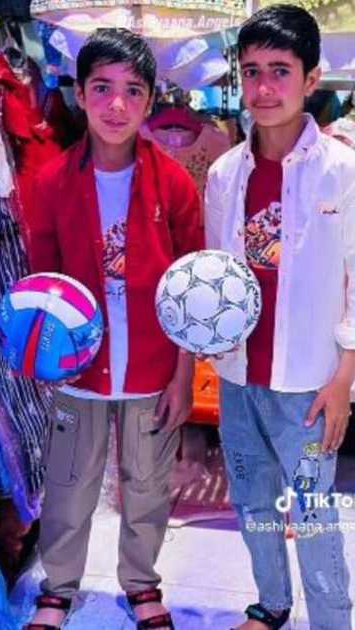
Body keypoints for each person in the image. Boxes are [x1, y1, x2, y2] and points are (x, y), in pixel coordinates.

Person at [21, 28, 204, 629]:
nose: (117, 105)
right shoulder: (49, 183)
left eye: (132, 90)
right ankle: (59, 585)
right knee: (70, 482)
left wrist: (183, 376)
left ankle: (142, 583)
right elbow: (42, 284)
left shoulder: (174, 183)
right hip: (79, 370)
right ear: (79, 93)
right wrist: (47, 362)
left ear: (151, 100)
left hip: (152, 369)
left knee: (147, 485)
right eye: (102, 88)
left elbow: (189, 295)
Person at [205, 5, 354, 628]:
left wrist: (345, 376)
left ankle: (331, 618)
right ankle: (270, 604)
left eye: (280, 71)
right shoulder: (223, 174)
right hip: (240, 380)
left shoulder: (343, 173)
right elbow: (217, 276)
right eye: (253, 71)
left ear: (311, 79)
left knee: (314, 510)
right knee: (252, 502)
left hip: (310, 386)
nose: (264, 89)